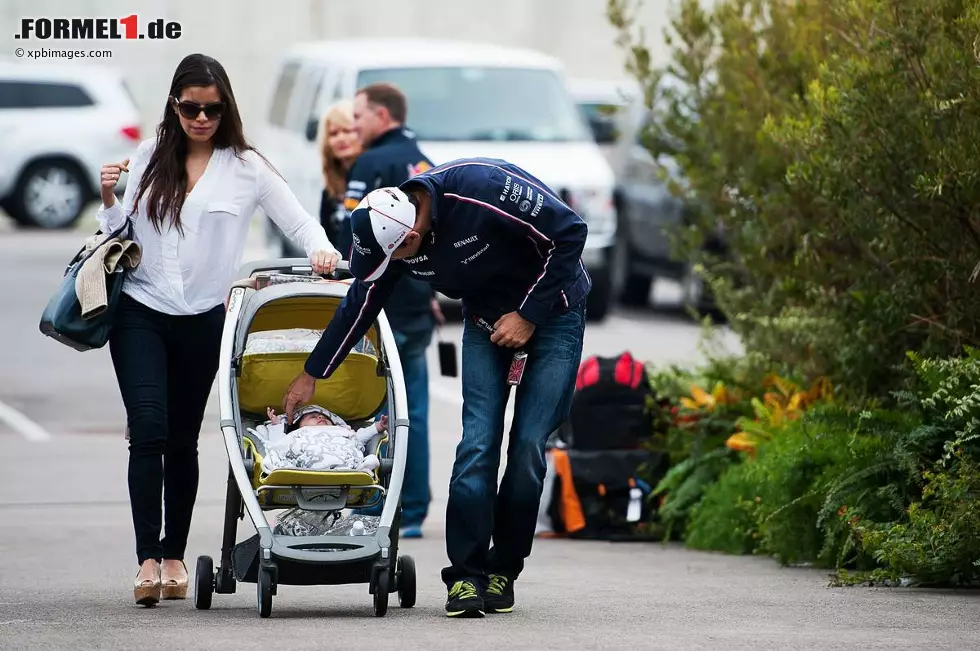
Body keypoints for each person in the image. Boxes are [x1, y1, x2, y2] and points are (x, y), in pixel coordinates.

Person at [282, 157, 591, 618]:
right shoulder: (392, 231)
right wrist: (313, 372)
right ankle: (466, 577)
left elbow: (571, 232)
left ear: (411, 238)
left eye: (394, 260)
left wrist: (529, 314)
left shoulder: (483, 190)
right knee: (477, 444)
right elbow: (363, 300)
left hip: (554, 313)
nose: (389, 269)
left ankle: (503, 570)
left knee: (527, 446)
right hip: (486, 322)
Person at [97, 53, 341, 608]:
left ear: (225, 107)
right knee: (149, 429)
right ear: (174, 106)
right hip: (140, 309)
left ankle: (176, 555)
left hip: (204, 318)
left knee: (183, 439)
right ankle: (146, 561)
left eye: (211, 108)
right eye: (190, 108)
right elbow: (116, 233)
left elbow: (300, 221)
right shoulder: (151, 155)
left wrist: (322, 251)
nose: (201, 118)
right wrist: (110, 197)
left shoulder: (247, 166)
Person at [340, 82, 442, 538]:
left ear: (382, 116)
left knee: (377, 413)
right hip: (420, 305)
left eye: (359, 117)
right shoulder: (424, 163)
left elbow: (351, 235)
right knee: (414, 411)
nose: (354, 125)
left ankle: (383, 504)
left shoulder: (371, 163)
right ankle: (416, 509)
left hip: (383, 309)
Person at [251, 406, 388, 474]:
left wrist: (378, 426)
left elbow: (360, 437)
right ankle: (287, 470)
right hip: (304, 464)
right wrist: (276, 425)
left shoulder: (341, 431)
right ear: (299, 424)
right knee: (277, 455)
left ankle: (358, 468)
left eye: (324, 417)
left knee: (368, 457)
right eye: (313, 416)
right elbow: (278, 445)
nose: (320, 418)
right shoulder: (298, 434)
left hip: (343, 457)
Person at [316, 100, 361, 252]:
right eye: (334, 133)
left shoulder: (373, 176)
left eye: (347, 131)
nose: (341, 138)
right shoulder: (329, 190)